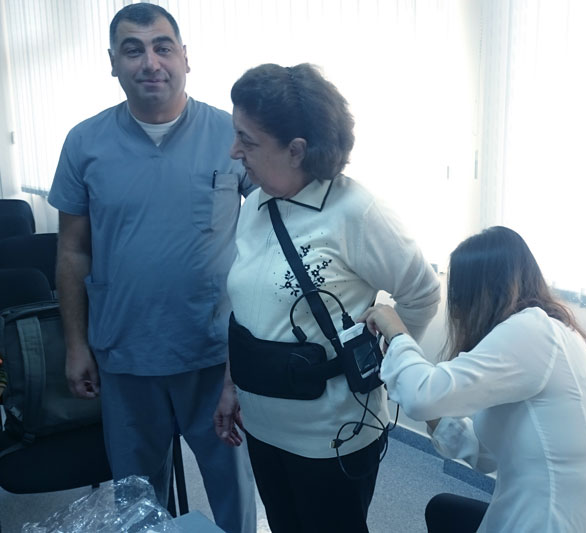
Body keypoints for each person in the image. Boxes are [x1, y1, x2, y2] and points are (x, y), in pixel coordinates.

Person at [48, 4, 256, 532]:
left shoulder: (232, 136)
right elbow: (72, 251)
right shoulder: (85, 142)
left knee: (232, 489)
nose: (150, 62)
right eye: (133, 50)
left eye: (163, 47)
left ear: (185, 57)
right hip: (126, 353)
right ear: (112, 62)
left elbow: (276, 229)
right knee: (137, 500)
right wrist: (76, 344)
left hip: (214, 354)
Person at [213, 62, 441, 533]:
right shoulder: (256, 206)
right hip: (263, 427)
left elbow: (421, 293)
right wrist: (232, 386)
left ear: (296, 150)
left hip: (332, 437)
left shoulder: (355, 212)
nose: (234, 151)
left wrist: (383, 362)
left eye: (247, 141)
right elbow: (248, 312)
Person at [361, 226, 586, 533]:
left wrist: (396, 332)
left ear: (473, 295)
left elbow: (422, 397)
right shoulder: (551, 337)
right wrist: (405, 381)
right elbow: (486, 452)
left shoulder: (533, 331)